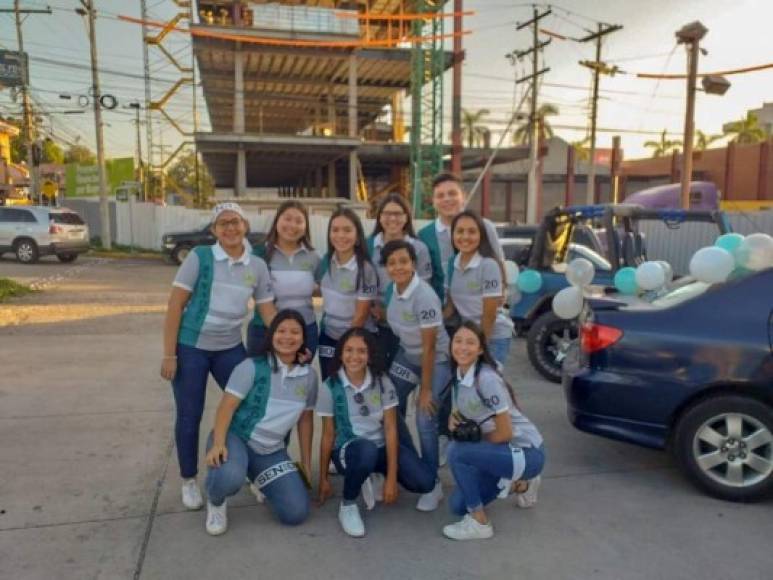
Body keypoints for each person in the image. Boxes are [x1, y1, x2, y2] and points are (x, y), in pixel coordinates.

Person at [160, 202, 276, 511]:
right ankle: (188, 480)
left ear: (245, 225)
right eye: (222, 223)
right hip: (191, 348)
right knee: (190, 415)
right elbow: (175, 306)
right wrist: (169, 355)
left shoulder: (257, 265)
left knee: (249, 408)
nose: (229, 228)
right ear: (214, 231)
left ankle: (253, 474)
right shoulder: (201, 257)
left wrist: (285, 343)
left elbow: (266, 309)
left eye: (235, 222)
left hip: (229, 347)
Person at [203, 310, 317, 535]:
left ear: (303, 338)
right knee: (230, 477)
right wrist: (218, 443)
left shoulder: (309, 376)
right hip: (237, 438)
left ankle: (257, 476)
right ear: (271, 334)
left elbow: (306, 420)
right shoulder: (251, 367)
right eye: (281, 331)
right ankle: (216, 502)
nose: (287, 337)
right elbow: (226, 407)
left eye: (295, 332)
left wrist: (304, 461)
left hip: (271, 450)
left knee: (296, 513)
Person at [317, 328, 435, 537]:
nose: (355, 357)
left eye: (361, 351)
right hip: (349, 450)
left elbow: (390, 428)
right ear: (341, 353)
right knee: (366, 451)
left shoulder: (382, 382)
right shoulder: (330, 386)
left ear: (370, 354)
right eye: (349, 350)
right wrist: (324, 477)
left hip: (379, 449)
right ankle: (348, 504)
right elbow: (328, 435)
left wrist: (391, 478)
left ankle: (376, 474)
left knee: (425, 482)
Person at [443, 321, 545, 541]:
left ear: (480, 349)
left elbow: (506, 433)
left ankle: (480, 523)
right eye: (458, 341)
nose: (463, 347)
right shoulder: (460, 374)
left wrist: (475, 441)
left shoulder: (486, 379)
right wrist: (454, 419)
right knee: (458, 506)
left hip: (526, 452)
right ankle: (523, 484)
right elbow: (464, 410)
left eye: (470, 342)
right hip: (500, 452)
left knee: (456, 452)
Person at [380, 239, 452, 512]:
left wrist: (425, 389)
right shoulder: (392, 291)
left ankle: (432, 483)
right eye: (392, 263)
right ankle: (408, 459)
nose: (398, 267)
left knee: (425, 418)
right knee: (387, 404)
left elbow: (430, 346)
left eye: (403, 261)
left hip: (436, 360)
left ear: (413, 264)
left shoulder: (424, 295)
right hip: (408, 356)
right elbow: (399, 326)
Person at [247, 201, 321, 358]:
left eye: (299, 221)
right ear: (277, 221)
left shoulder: (313, 257)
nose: (292, 225)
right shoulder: (260, 254)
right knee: (263, 380)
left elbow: (328, 288)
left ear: (306, 226)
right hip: (264, 332)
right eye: (287, 219)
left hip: (305, 331)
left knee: (298, 379)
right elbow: (248, 289)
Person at [367, 193, 433, 368]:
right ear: (379, 217)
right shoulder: (368, 246)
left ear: (406, 217)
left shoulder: (419, 248)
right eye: (387, 213)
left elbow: (423, 287)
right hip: (376, 324)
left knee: (400, 381)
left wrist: (391, 312)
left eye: (398, 213)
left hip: (407, 323)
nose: (392, 218)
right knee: (378, 373)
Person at [417, 172, 504, 301]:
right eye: (440, 196)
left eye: (452, 193)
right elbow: (424, 278)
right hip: (442, 309)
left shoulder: (485, 226)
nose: (446, 199)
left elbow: (499, 263)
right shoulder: (424, 235)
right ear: (433, 202)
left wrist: (501, 293)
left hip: (479, 308)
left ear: (463, 196)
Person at [317, 207, 378, 381]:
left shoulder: (366, 270)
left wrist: (347, 349)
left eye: (347, 230)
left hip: (355, 339)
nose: (340, 235)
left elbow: (360, 316)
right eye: (335, 230)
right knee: (330, 383)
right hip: (328, 335)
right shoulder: (326, 262)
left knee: (352, 385)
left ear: (358, 236)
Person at [446, 210, 514, 365]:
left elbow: (489, 316)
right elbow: (450, 308)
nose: (465, 237)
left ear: (481, 235)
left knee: (486, 383)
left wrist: (479, 348)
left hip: (492, 336)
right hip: (468, 337)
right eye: (460, 231)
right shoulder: (452, 264)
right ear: (453, 235)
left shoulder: (488, 265)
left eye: (472, 231)